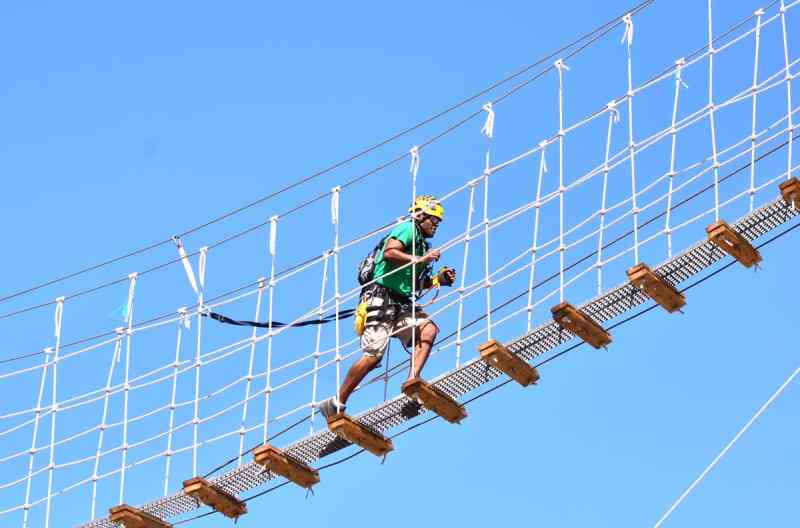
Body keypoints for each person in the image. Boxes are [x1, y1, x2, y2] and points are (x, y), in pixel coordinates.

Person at [319, 195, 456, 418]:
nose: (436, 226)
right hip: (379, 298)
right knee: (373, 356)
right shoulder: (408, 228)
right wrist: (421, 260)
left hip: (401, 303)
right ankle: (337, 402)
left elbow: (411, 282)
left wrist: (437, 280)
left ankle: (412, 382)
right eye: (433, 220)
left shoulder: (421, 246)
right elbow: (391, 253)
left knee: (428, 329)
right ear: (421, 216)